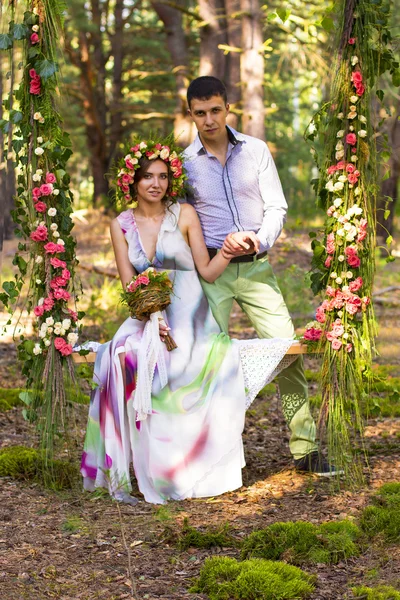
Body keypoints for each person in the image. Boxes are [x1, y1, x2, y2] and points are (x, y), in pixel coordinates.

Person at [80, 138, 297, 504]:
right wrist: (152, 318)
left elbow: (209, 273)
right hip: (147, 314)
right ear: (132, 181)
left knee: (190, 360)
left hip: (193, 315)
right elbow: (129, 284)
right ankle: (155, 470)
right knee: (123, 356)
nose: (156, 184)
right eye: (147, 176)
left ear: (171, 180)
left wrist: (227, 250)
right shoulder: (120, 225)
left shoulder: (185, 215)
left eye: (163, 176)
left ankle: (201, 469)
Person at [184, 76, 338, 476]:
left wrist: (257, 240)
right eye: (200, 113)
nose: (209, 120)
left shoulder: (255, 150)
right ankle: (212, 454)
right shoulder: (182, 165)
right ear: (191, 115)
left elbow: (277, 207)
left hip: (256, 268)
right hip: (211, 273)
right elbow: (180, 222)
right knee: (208, 360)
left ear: (227, 108)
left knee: (286, 352)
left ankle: (305, 450)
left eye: (215, 110)